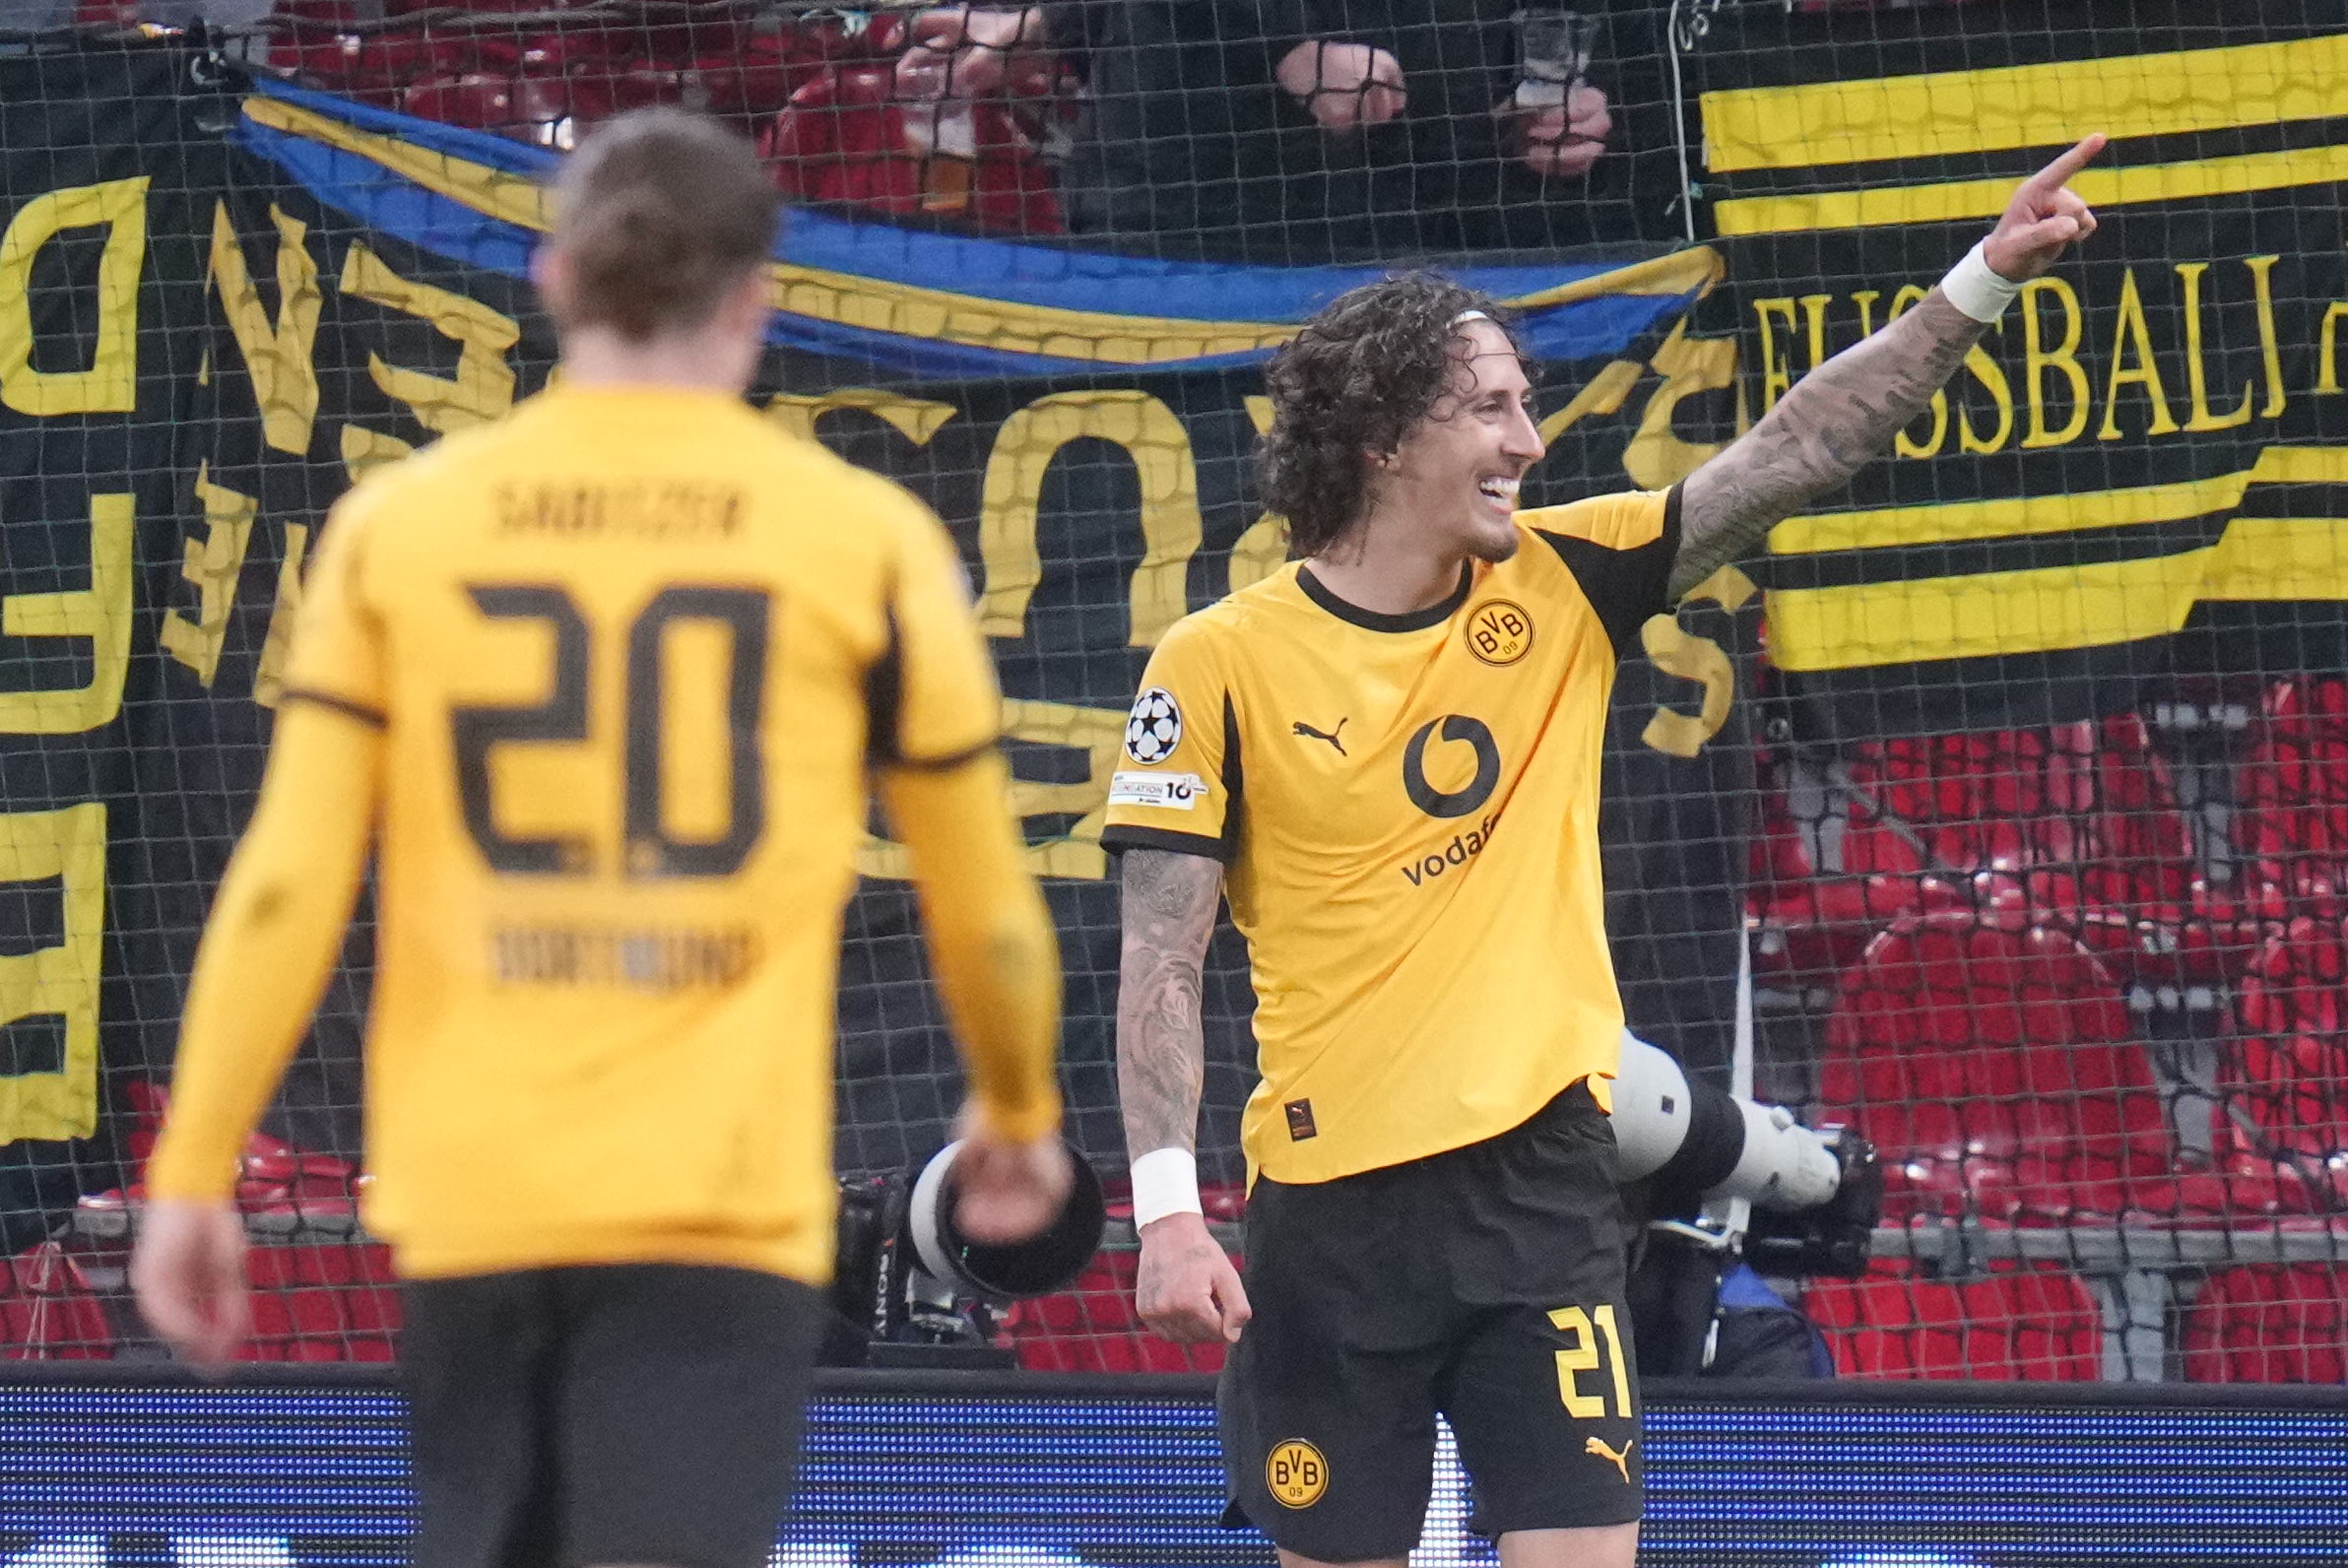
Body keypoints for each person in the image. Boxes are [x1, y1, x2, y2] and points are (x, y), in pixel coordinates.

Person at [1101, 136, 2106, 1568]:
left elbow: (1806, 445)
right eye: (1493, 410)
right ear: (1386, 440)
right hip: (1331, 1231)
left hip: (1542, 1192)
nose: (1529, 441)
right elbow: (1161, 956)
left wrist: (1980, 282)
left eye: (1527, 405)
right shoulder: (1215, 662)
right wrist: (1163, 1216)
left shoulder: (1568, 577)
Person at [132, 106, 1073, 1568]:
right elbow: (990, 906)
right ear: (760, 296)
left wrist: (192, 1170)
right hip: (720, 1200)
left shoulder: (403, 526)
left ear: (551, 279)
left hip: (475, 1183)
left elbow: (287, 889)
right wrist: (1015, 1115)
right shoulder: (861, 539)